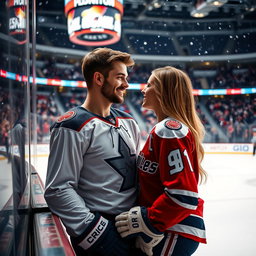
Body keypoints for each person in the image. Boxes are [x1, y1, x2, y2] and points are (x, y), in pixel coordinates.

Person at [44, 48, 141, 256]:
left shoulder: (130, 122)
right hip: (100, 234)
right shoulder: (72, 126)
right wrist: (96, 232)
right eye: (120, 77)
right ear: (98, 78)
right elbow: (58, 189)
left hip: (135, 229)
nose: (126, 85)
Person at [115, 66, 207, 256]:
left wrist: (150, 222)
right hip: (171, 228)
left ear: (164, 91)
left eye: (149, 85)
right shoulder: (165, 129)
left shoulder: (169, 130)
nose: (143, 89)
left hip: (173, 230)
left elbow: (184, 195)